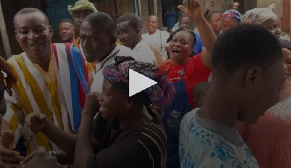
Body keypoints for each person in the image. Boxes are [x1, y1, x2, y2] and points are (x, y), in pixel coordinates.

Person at [23, 57, 176, 168]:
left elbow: (83, 164)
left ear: (128, 101)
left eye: (106, 93)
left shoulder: (141, 142)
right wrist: (45, 127)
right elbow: (81, 148)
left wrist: (88, 113)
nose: (99, 97)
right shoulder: (118, 115)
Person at [0, 8, 89, 167]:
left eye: (39, 30)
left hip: (81, 147)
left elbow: (92, 87)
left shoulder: (71, 54)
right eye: (24, 31)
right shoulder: (13, 68)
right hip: (43, 156)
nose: (32, 36)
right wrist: (2, 137)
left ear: (50, 31)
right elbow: (8, 109)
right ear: (17, 36)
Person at [179, 23, 283, 168]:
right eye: (276, 87)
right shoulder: (223, 162)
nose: (276, 98)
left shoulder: (189, 118)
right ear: (252, 77)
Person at [159, 0, 216, 167]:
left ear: (191, 49)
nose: (177, 44)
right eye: (174, 40)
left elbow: (214, 49)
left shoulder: (196, 66)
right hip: (166, 135)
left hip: (191, 133)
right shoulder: (162, 68)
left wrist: (199, 18)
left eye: (183, 43)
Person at [237, 40, 291, 168]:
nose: (283, 66)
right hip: (255, 159)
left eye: (288, 61)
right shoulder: (250, 92)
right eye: (276, 61)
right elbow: (237, 134)